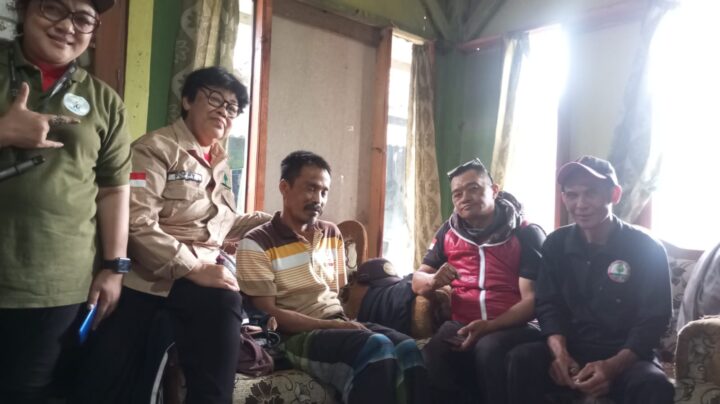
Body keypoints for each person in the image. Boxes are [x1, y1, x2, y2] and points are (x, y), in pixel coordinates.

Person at [74, 67, 271, 404]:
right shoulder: (155, 148)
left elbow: (219, 222)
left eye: (232, 107)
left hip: (201, 282)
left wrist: (275, 221)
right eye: (215, 99)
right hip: (149, 277)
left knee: (225, 301)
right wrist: (194, 268)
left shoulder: (221, 164)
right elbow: (136, 221)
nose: (224, 111)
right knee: (107, 381)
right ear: (187, 100)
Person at [0, 0, 130, 402]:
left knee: (30, 392)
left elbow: (114, 189)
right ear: (24, 10)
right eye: (53, 8)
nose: (67, 25)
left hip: (57, 283)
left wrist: (115, 267)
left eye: (83, 18)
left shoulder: (105, 101)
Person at [236, 150, 429, 404]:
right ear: (284, 187)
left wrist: (342, 324)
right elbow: (269, 315)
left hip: (336, 323)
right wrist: (335, 327)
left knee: (408, 347)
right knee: (375, 346)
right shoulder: (256, 243)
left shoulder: (332, 234)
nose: (318, 199)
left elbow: (336, 296)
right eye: (311, 189)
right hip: (288, 337)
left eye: (324, 192)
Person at [506, 156, 674, 404]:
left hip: (627, 354)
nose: (580, 204)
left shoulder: (647, 248)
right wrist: (560, 354)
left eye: (590, 193)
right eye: (572, 195)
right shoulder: (555, 244)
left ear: (615, 194)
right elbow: (548, 305)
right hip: (573, 349)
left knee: (654, 386)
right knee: (521, 360)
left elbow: (654, 319)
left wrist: (612, 367)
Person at [412, 157, 545, 404]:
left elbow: (532, 301)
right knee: (432, 353)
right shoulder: (449, 231)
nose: (465, 198)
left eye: (473, 188)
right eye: (457, 193)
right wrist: (433, 280)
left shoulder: (525, 232)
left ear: (494, 190)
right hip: (462, 322)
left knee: (488, 348)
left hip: (516, 325)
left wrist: (490, 326)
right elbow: (417, 280)